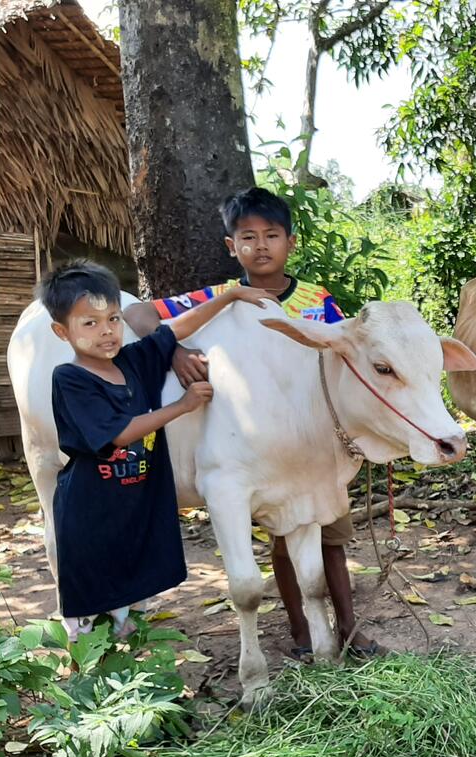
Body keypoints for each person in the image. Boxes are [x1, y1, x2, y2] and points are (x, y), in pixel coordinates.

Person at [123, 187, 380, 659]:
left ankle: (349, 629)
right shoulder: (219, 298)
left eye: (272, 235)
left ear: (290, 243)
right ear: (231, 246)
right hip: (262, 452)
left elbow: (351, 359)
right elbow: (137, 313)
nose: (261, 246)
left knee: (334, 540)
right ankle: (302, 632)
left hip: (320, 446)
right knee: (286, 545)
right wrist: (172, 349)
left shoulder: (318, 303)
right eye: (248, 237)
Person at [44, 260, 268, 640]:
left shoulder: (132, 361)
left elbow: (174, 330)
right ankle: (95, 686)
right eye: (90, 323)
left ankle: (132, 682)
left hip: (134, 502)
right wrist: (181, 407)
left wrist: (229, 296)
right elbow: (118, 434)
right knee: (94, 612)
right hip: (92, 512)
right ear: (61, 331)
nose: (107, 331)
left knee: (133, 601)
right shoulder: (70, 378)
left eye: (113, 319)